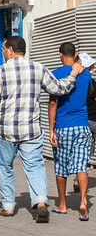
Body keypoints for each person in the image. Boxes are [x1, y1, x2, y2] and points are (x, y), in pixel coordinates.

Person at [0, 36, 84, 223]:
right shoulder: (38, 68)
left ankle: (7, 206)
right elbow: (59, 89)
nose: (3, 52)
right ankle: (40, 202)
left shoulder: (0, 72)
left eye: (4, 49)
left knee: (5, 167)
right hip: (31, 129)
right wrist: (73, 75)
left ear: (11, 50)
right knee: (35, 166)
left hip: (6, 131)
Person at [48, 43, 93, 221]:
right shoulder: (86, 73)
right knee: (81, 166)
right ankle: (83, 202)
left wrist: (51, 130)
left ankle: (62, 205)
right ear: (75, 55)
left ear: (60, 55)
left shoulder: (56, 74)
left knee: (61, 166)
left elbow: (52, 103)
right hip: (82, 126)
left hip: (63, 127)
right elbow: (90, 92)